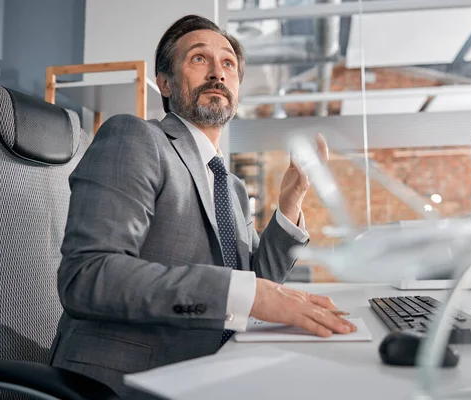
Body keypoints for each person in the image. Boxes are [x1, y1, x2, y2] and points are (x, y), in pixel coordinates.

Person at [49, 14, 356, 399]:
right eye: (198, 59)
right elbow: (88, 276)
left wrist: (290, 203)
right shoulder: (137, 138)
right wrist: (245, 294)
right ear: (165, 82)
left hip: (215, 370)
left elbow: (259, 280)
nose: (218, 73)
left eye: (228, 63)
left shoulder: (233, 188)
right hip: (123, 381)